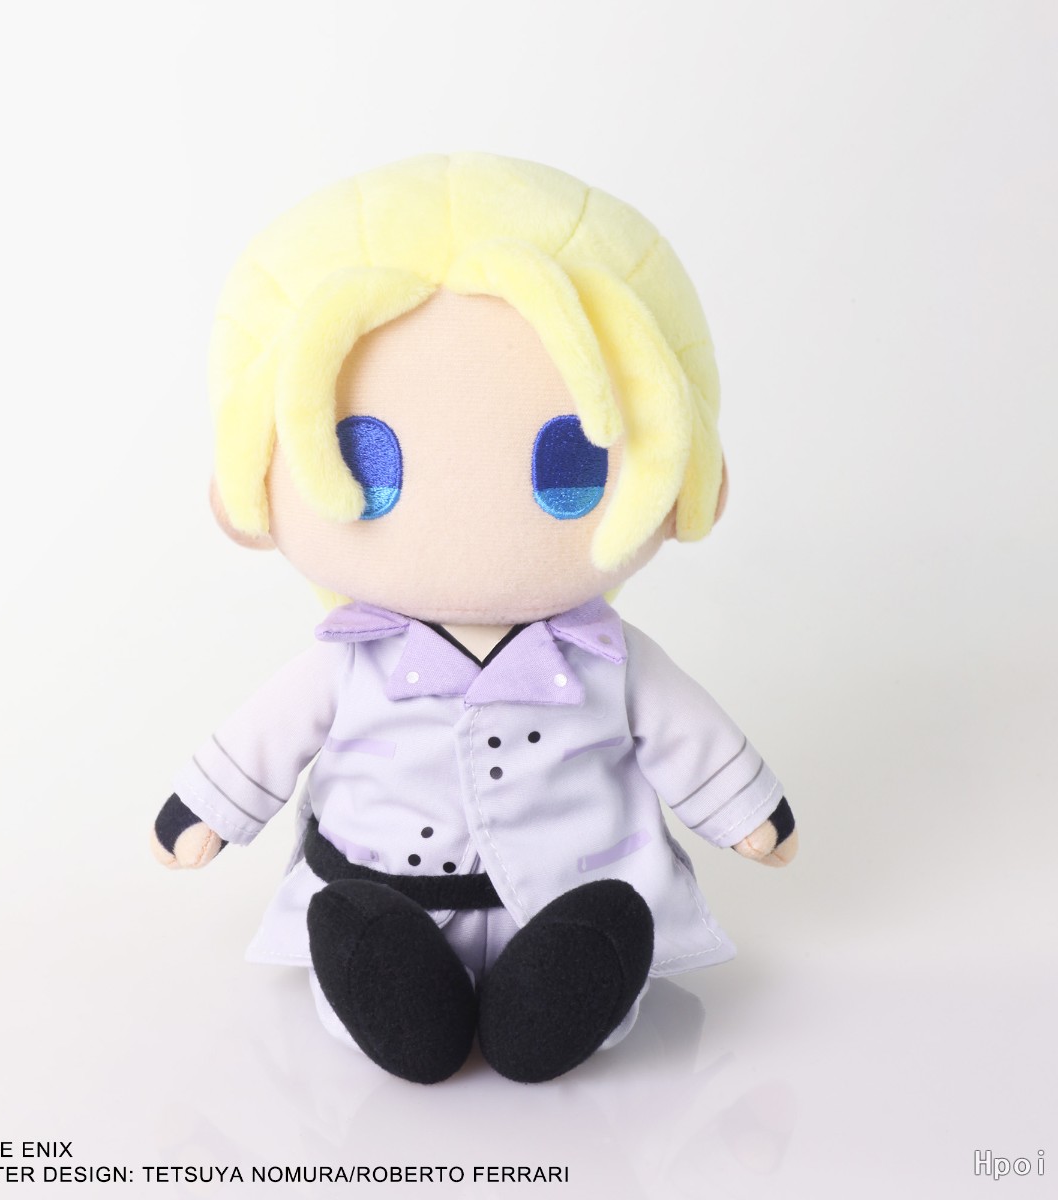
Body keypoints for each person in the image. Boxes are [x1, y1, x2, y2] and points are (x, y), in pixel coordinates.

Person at [152, 153, 798, 1085]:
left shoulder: (609, 661)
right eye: (368, 463)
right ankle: (386, 975)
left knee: (592, 944)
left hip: (568, 900)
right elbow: (269, 734)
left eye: (569, 464)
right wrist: (207, 805)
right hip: (389, 892)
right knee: (373, 946)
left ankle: (568, 986)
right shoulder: (348, 663)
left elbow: (684, 733)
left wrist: (745, 810)